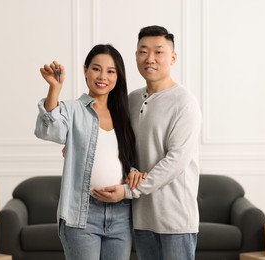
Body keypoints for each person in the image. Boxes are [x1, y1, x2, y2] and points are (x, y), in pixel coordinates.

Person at [92, 25, 202, 260]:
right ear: (135, 56)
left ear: (172, 57)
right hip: (141, 219)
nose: (149, 58)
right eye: (143, 51)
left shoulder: (184, 102)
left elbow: (175, 161)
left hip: (175, 221)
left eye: (158, 52)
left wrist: (129, 191)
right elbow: (122, 144)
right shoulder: (131, 100)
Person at [34, 44, 145, 260]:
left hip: (121, 213)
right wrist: (54, 88)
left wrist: (133, 171)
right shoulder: (73, 109)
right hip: (82, 214)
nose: (103, 76)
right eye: (96, 68)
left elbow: (128, 156)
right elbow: (49, 131)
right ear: (85, 70)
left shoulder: (125, 113)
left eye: (111, 71)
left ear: (118, 76)